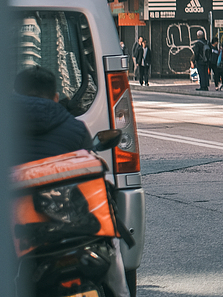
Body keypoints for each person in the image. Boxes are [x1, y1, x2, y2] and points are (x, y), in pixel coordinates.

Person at [15, 67, 130, 297]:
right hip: (76, 227)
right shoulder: (75, 128)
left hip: (24, 235)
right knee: (111, 244)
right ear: (56, 98)